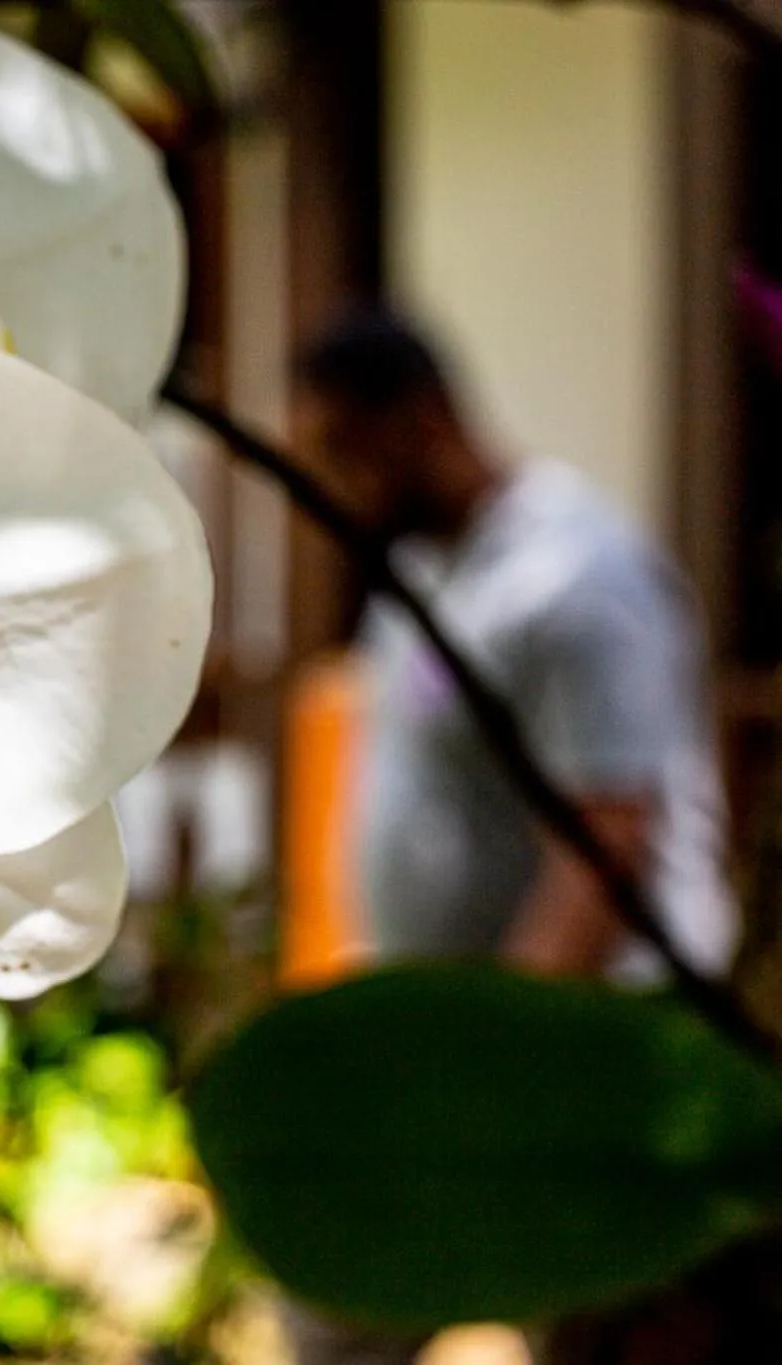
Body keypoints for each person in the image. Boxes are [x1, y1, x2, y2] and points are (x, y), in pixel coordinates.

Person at [280, 312, 739, 1365]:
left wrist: (493, 1047)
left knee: (593, 1329)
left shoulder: (576, 577)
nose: (331, 488)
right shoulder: (428, 569)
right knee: (341, 1314)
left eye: (341, 455)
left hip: (577, 1046)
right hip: (454, 1032)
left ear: (419, 421)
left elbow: (607, 836)